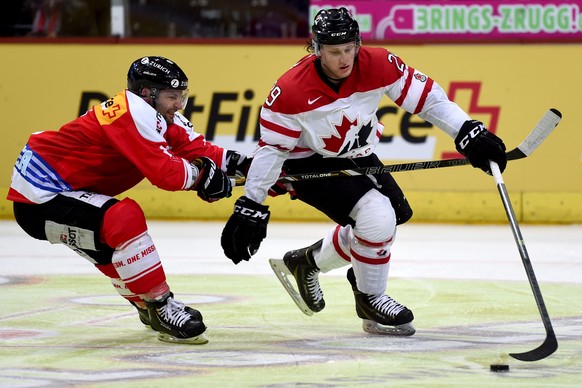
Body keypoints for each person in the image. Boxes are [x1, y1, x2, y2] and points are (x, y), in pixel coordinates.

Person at [220, 8, 507, 336]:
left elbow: (428, 100)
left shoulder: (378, 63)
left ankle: (306, 262)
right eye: (333, 52)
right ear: (316, 50)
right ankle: (370, 298)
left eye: (348, 49)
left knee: (393, 216)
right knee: (377, 217)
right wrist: (252, 203)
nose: (343, 60)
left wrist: (466, 130)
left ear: (358, 44)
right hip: (306, 161)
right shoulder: (291, 91)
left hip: (354, 152)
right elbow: (272, 150)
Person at [7, 56, 249, 344]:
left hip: (61, 192)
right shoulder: (132, 113)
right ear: (148, 93)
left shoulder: (157, 114)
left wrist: (254, 169)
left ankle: (147, 305)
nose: (179, 104)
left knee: (113, 245)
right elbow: (167, 174)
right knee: (123, 219)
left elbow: (197, 149)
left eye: (182, 96)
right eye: (173, 96)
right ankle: (160, 306)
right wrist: (203, 177)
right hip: (39, 200)